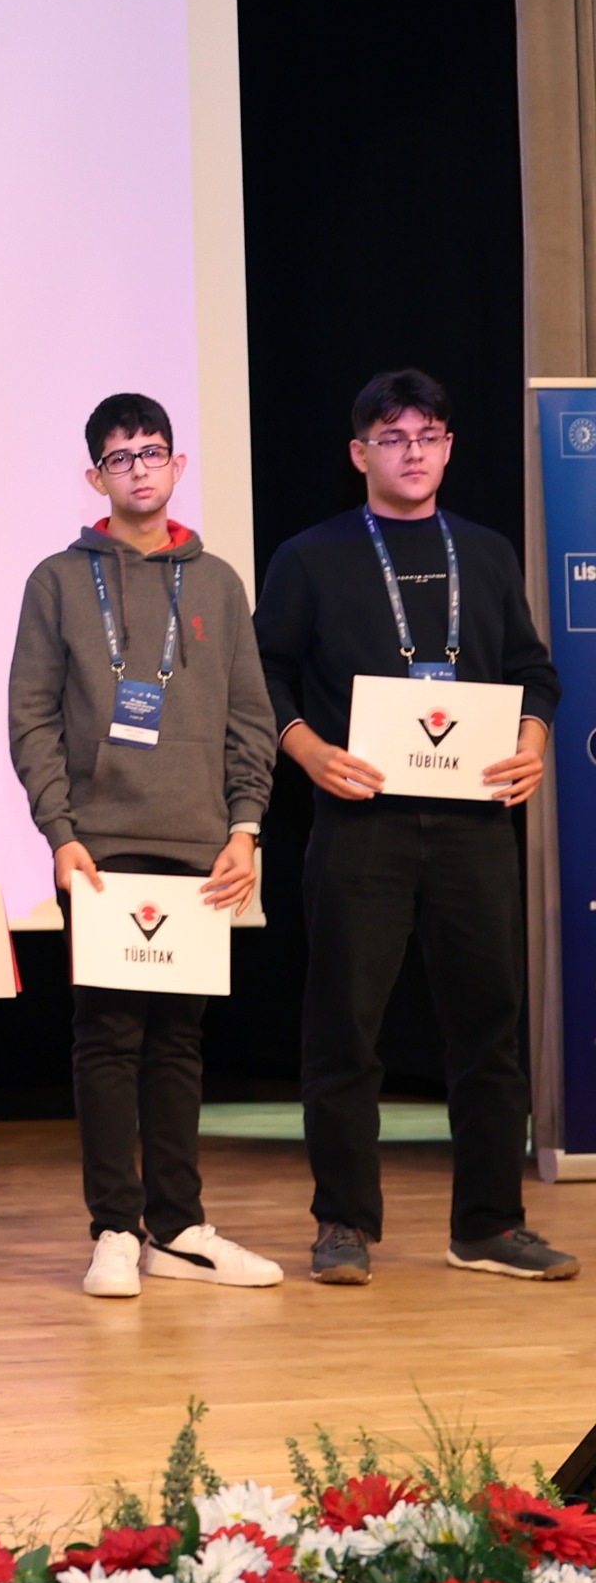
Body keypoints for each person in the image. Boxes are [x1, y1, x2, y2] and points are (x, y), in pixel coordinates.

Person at [255, 368, 571, 1285]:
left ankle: (489, 1225)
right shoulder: (310, 556)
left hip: (475, 823)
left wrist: (532, 742)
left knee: (489, 1028)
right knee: (345, 1030)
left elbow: (533, 671)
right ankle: (343, 1223)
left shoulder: (488, 552)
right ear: (360, 453)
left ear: (449, 447)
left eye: (429, 436)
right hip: (362, 826)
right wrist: (309, 751)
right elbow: (263, 675)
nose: (414, 452)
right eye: (393, 438)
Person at [8, 392, 282, 1298]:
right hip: (99, 850)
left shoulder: (218, 582)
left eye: (152, 452)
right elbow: (32, 718)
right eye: (120, 457)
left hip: (200, 847)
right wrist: (60, 832)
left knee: (178, 1044)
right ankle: (115, 1230)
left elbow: (251, 717)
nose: (138, 469)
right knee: (108, 1038)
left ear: (177, 466)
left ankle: (179, 1226)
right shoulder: (58, 579)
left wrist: (245, 828)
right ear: (96, 477)